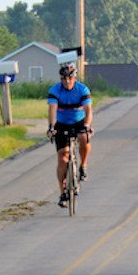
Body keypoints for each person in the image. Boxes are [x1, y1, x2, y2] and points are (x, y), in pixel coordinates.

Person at [46, 63, 94, 208]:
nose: (67, 81)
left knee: (84, 138)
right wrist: (51, 127)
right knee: (62, 157)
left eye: (70, 78)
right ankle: (63, 193)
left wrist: (86, 125)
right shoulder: (55, 90)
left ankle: (83, 165)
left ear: (75, 77)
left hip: (79, 121)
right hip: (62, 123)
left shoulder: (82, 89)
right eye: (64, 78)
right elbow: (52, 110)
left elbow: (88, 110)